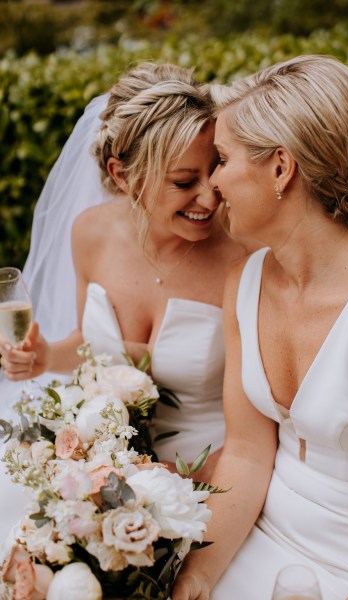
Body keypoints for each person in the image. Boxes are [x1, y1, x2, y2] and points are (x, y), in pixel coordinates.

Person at [171, 55, 348, 600]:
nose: (214, 184)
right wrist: (197, 576)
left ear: (280, 168)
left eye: (222, 159)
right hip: (257, 543)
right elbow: (249, 456)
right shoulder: (244, 282)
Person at [0, 62, 251, 548]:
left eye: (214, 170)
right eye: (183, 181)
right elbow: (92, 348)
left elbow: (260, 427)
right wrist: (42, 357)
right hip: (103, 470)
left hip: (211, 473)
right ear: (122, 173)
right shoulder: (90, 232)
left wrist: (173, 495)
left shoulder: (242, 255)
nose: (209, 197)